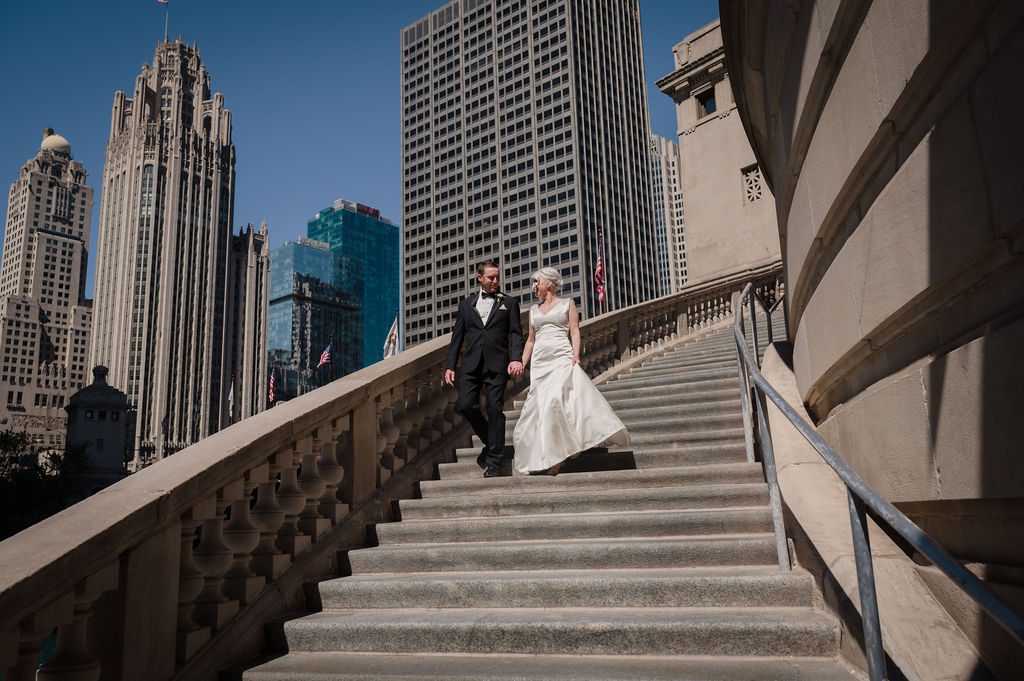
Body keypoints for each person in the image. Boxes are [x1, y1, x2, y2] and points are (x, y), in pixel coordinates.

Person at [512, 267, 629, 475]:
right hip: (540, 363)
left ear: (548, 283)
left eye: (536, 282)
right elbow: (530, 340)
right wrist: (521, 361)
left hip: (561, 357)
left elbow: (575, 331)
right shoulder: (533, 310)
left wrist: (576, 355)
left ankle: (558, 457)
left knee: (554, 402)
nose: (533, 287)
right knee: (540, 407)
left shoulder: (568, 304)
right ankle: (547, 454)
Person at [444, 259, 525, 477]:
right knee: (466, 405)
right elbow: (457, 337)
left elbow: (516, 334)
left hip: (498, 365)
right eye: (491, 277)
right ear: (479, 278)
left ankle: (494, 463)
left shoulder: (509, 303)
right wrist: (450, 365)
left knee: (494, 410)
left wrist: (516, 358)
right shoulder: (466, 305)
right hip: (471, 364)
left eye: (497, 277)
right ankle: (492, 444)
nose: (495, 281)